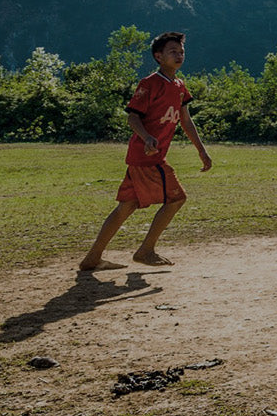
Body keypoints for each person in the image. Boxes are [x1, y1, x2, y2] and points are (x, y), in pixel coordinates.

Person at [80, 31, 212, 271]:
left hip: (145, 158)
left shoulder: (180, 86)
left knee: (126, 206)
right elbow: (133, 118)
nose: (179, 55)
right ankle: (146, 250)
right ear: (158, 56)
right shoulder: (149, 83)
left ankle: (92, 257)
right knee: (176, 199)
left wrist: (201, 151)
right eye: (173, 51)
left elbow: (186, 120)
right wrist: (147, 137)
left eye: (181, 51)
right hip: (148, 157)